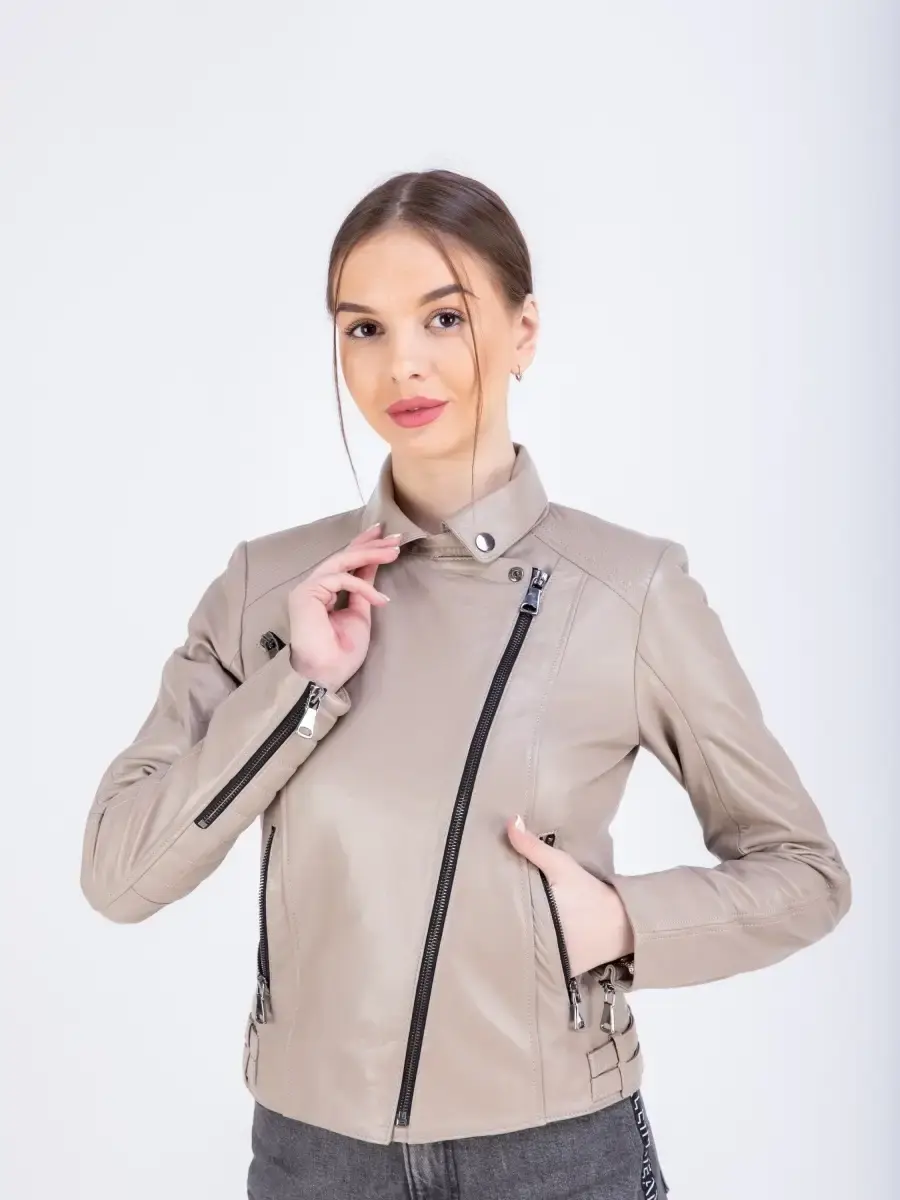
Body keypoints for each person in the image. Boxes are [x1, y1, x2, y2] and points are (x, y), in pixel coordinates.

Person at [80, 168, 852, 1200]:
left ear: (523, 331)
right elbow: (119, 874)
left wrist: (623, 924)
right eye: (364, 328)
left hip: (555, 1156)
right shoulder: (269, 587)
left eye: (444, 317)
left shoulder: (630, 592)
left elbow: (805, 873)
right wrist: (300, 689)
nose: (403, 361)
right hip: (313, 1159)